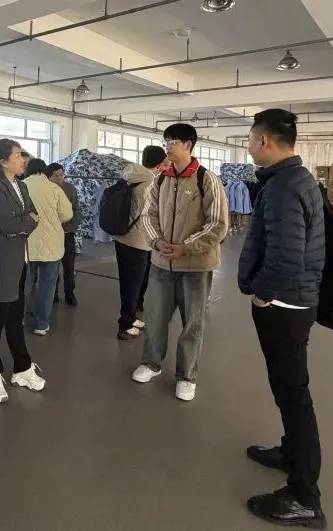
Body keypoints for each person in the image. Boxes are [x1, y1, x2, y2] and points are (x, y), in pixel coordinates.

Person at [237, 109, 327, 528]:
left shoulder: (283, 187)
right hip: (296, 300)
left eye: (249, 138)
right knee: (288, 388)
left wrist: (262, 293)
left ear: (264, 141)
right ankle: (291, 453)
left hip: (285, 306)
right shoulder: (296, 178)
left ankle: (305, 497)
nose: (248, 146)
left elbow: (287, 257)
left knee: (294, 395)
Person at [133, 123, 229, 402]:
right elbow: (147, 216)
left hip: (195, 267)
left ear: (188, 145)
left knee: (192, 323)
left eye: (172, 141)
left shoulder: (206, 179)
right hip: (161, 263)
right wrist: (157, 242)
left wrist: (185, 248)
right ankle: (151, 363)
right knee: (154, 318)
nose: (167, 146)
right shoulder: (160, 180)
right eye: (165, 141)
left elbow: (217, 224)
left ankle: (187, 376)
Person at [0, 139, 45, 404]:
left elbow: (32, 215)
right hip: (1, 263)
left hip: (19, 259)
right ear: (4, 162)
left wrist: (23, 222)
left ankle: (22, 367)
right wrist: (25, 222)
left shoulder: (21, 185)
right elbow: (9, 224)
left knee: (15, 317)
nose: (23, 160)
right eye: (17, 156)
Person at [113, 145, 168, 340]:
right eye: (165, 164)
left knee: (133, 281)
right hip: (137, 241)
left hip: (123, 237)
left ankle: (132, 316)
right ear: (159, 165)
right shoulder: (149, 186)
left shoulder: (129, 177)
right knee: (132, 284)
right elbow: (154, 216)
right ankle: (125, 324)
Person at [23, 158, 73, 335]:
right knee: (47, 285)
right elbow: (67, 214)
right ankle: (41, 324)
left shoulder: (21, 186)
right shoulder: (54, 188)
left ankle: (19, 318)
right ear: (44, 171)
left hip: (26, 242)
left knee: (24, 283)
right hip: (52, 243)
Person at [47, 162, 81, 306]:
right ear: (49, 177)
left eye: (62, 175)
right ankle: (52, 293)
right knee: (52, 266)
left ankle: (69, 293)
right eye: (56, 176)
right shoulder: (46, 191)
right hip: (51, 235)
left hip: (67, 234)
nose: (60, 178)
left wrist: (71, 228)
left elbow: (76, 210)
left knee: (69, 266)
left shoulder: (70, 189)